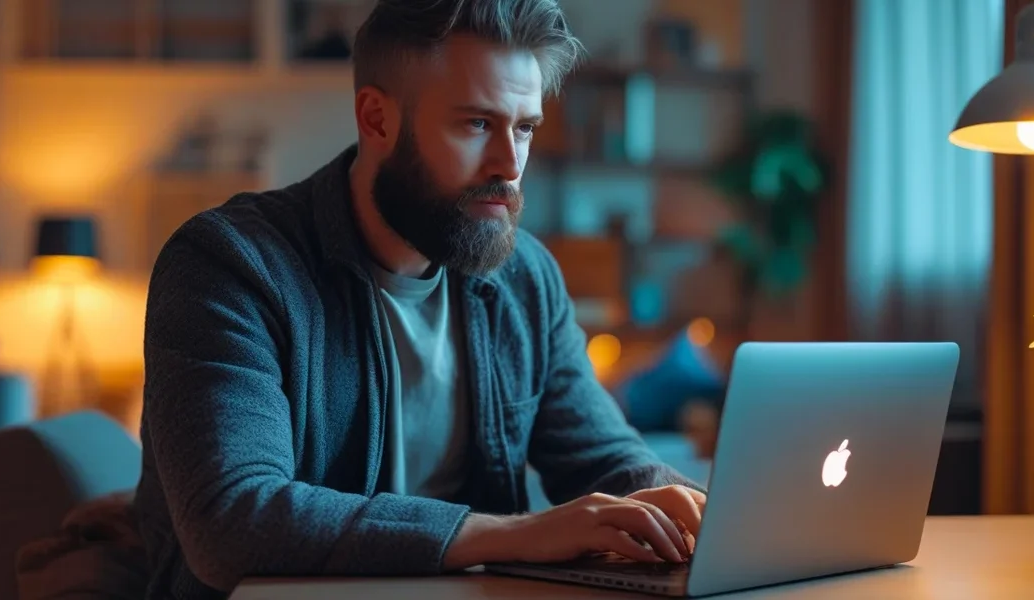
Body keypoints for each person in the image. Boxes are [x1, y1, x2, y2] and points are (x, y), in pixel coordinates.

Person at [134, 0, 708, 597]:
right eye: (476, 125)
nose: (509, 166)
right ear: (377, 119)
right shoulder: (229, 264)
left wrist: (696, 512)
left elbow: (603, 454)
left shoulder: (524, 276)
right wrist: (518, 535)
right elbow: (234, 522)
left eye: (525, 128)